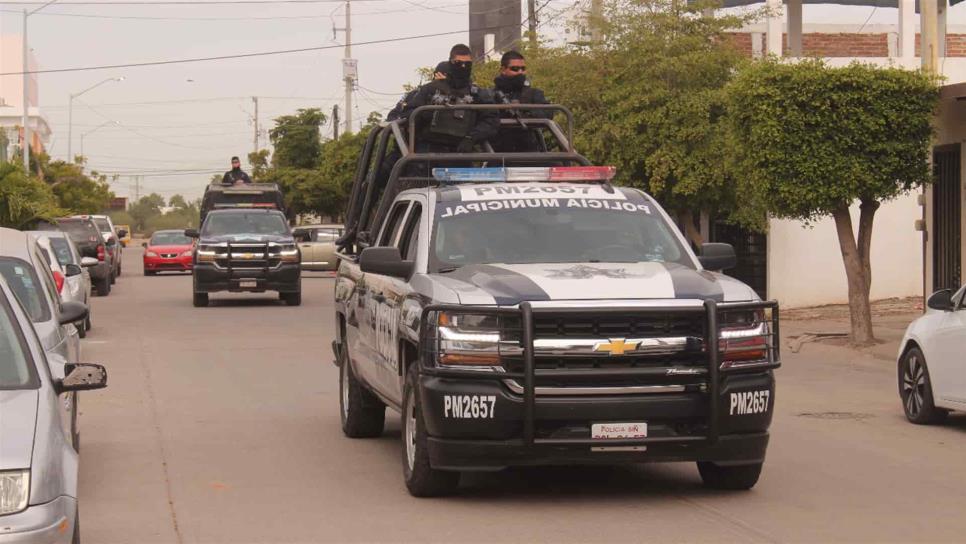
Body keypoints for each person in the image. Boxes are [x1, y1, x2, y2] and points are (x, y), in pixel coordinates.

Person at [398, 44, 499, 153]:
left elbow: (491, 120)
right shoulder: (431, 89)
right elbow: (407, 115)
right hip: (428, 151)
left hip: (460, 152)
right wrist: (424, 114)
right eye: (458, 63)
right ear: (451, 63)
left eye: (467, 64)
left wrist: (472, 138)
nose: (463, 67)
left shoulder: (477, 94)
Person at [491, 50, 552, 153]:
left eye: (523, 69)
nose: (520, 72)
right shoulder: (491, 94)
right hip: (498, 154)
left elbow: (548, 114)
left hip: (530, 152)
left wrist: (525, 109)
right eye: (514, 69)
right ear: (503, 69)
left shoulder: (534, 94)